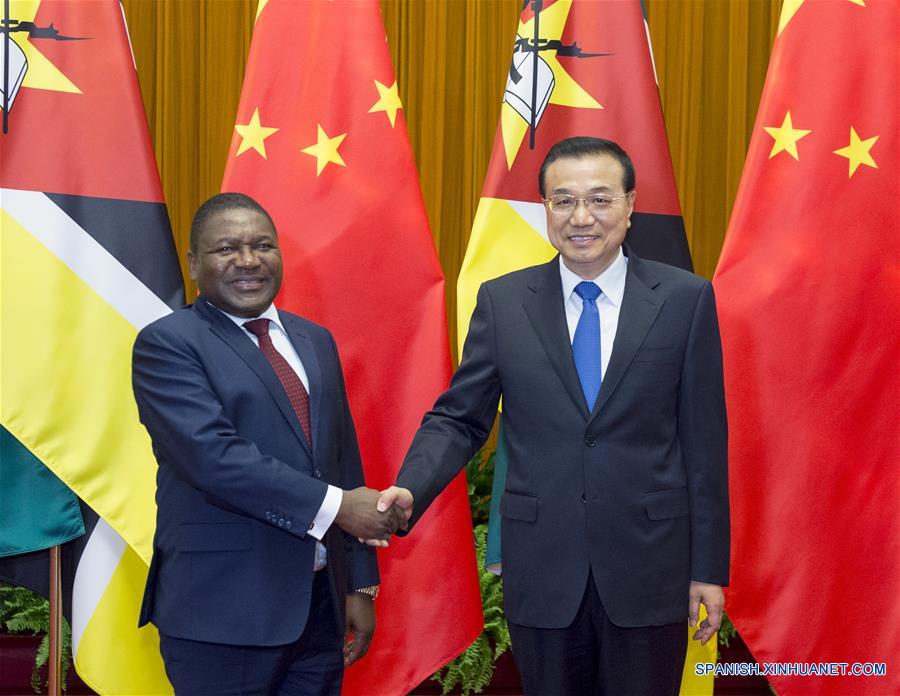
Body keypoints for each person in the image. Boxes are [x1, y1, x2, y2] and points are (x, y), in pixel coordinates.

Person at [378, 137, 730, 695]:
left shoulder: (685, 300)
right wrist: (410, 487)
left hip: (650, 567)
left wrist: (708, 570)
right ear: (544, 207)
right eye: (563, 201)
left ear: (630, 204)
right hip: (542, 566)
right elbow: (460, 418)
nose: (581, 217)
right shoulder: (503, 301)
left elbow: (705, 444)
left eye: (599, 199)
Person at [132, 193, 402, 695]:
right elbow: (214, 459)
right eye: (226, 249)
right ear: (194, 264)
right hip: (220, 615)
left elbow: (342, 460)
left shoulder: (313, 339)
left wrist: (360, 583)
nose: (248, 261)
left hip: (318, 609)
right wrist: (339, 507)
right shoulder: (168, 343)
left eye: (262, 246)